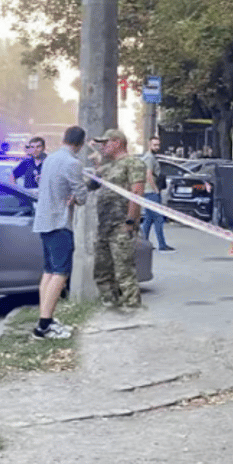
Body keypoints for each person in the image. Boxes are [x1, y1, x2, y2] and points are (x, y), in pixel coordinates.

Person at [31, 126, 90, 339]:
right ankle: (44, 325)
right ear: (80, 144)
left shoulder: (51, 159)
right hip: (60, 222)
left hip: (44, 221)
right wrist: (78, 196)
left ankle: (44, 317)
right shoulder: (72, 163)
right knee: (60, 273)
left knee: (48, 272)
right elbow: (82, 195)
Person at [92, 129, 147, 308]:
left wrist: (130, 221)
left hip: (121, 225)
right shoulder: (107, 167)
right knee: (101, 271)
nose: (102, 147)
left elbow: (136, 192)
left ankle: (132, 309)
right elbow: (90, 184)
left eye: (105, 143)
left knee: (124, 272)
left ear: (117, 142)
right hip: (104, 226)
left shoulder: (133, 163)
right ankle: (110, 306)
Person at [140, 137, 175, 251]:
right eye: (155, 145)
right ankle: (162, 244)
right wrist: (155, 189)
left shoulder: (151, 157)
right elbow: (148, 174)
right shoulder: (149, 158)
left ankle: (143, 243)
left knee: (148, 219)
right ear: (149, 144)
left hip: (149, 191)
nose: (157, 147)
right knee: (158, 219)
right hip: (151, 192)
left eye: (158, 145)